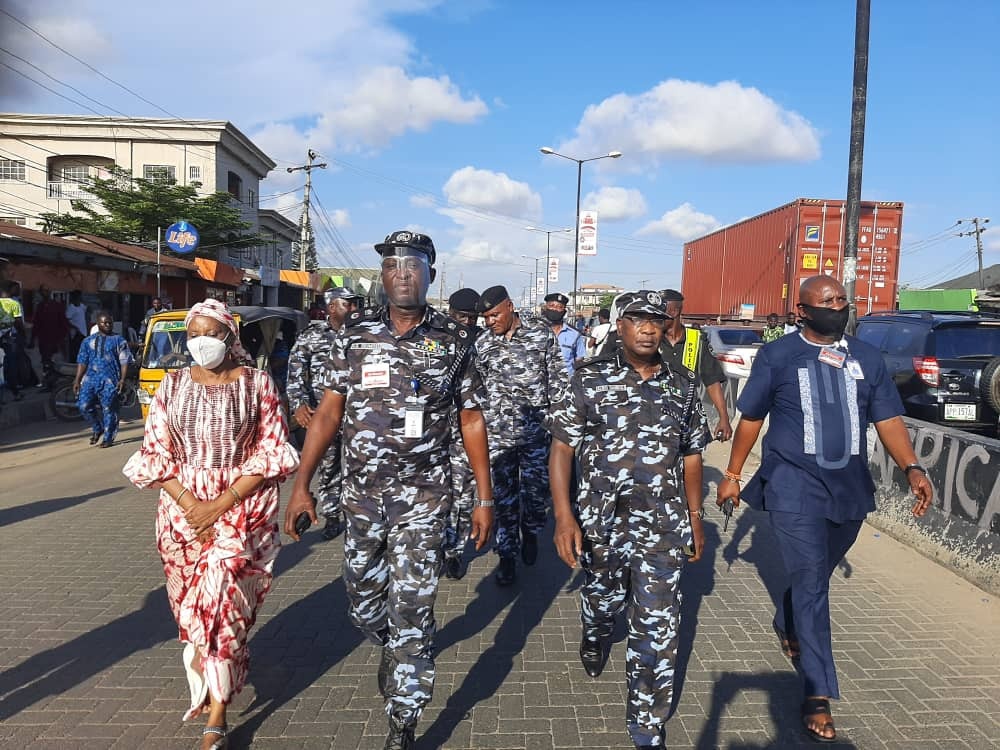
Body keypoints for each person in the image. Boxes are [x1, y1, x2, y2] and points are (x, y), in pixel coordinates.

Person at [283, 230, 493, 750]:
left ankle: (404, 715)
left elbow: (471, 420)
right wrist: (301, 484)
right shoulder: (354, 336)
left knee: (413, 611)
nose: (403, 272)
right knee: (363, 603)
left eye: (414, 264)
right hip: (360, 499)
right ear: (382, 276)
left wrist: (484, 498)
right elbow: (329, 412)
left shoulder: (455, 342)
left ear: (431, 276)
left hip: (425, 498)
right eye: (393, 264)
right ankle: (390, 642)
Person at [716, 276, 934, 743]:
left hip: (850, 488)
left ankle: (787, 616)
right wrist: (733, 476)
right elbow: (751, 418)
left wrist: (912, 467)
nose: (839, 307)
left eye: (842, 301)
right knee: (814, 581)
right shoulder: (777, 356)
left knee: (815, 574)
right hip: (793, 485)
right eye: (828, 302)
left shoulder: (867, 358)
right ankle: (817, 691)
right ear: (802, 312)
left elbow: (888, 418)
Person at [123, 298, 298, 750]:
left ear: (229, 336)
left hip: (240, 508)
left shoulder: (258, 384)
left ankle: (216, 714)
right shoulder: (171, 385)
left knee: (219, 604)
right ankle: (221, 670)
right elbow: (154, 452)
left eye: (210, 333)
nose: (201, 342)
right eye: (193, 333)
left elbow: (274, 450)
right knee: (191, 612)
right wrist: (190, 505)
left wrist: (219, 504)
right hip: (179, 513)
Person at [547, 291, 710, 749]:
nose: (647, 328)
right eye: (637, 319)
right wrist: (564, 517)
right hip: (601, 523)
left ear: (665, 326)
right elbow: (562, 447)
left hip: (662, 524)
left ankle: (646, 725)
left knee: (658, 627)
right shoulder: (588, 378)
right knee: (602, 603)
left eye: (656, 320)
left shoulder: (684, 384)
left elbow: (693, 454)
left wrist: (696, 518)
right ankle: (596, 634)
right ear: (620, 326)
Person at [475, 285, 570, 585]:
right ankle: (507, 556)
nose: (490, 322)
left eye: (494, 315)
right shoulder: (483, 344)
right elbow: (476, 388)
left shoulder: (541, 335)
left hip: (536, 434)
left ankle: (530, 532)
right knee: (504, 499)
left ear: (510, 307)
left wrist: (559, 428)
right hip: (498, 437)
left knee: (534, 495)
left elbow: (557, 381)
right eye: (485, 317)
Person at [286, 286, 360, 540]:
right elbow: (296, 370)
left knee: (356, 468)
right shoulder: (312, 335)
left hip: (357, 417)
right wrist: (298, 403)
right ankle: (331, 516)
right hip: (322, 414)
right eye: (347, 304)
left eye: (354, 304)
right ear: (331, 308)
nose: (353, 309)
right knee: (328, 467)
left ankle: (357, 517)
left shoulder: (363, 334)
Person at [442, 287, 483, 580]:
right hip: (429, 435)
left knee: (462, 494)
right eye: (462, 317)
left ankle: (453, 551)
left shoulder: (482, 343)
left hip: (464, 432)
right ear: (450, 314)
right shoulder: (433, 340)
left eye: (473, 318)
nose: (467, 323)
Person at [660, 289, 733, 441]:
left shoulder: (697, 340)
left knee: (692, 462)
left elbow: (712, 381)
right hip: (656, 418)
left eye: (659, 311)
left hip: (689, 420)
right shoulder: (652, 340)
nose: (654, 317)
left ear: (673, 311)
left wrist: (723, 417)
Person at [73, 311, 134, 447]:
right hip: (90, 379)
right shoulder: (87, 341)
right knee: (83, 405)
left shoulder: (119, 340)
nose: (107, 325)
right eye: (104, 323)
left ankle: (108, 438)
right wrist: (77, 379)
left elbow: (124, 361)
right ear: (98, 324)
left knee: (109, 409)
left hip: (110, 380)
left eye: (109, 323)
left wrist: (122, 380)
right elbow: (82, 361)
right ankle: (97, 428)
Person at [542, 292, 587, 376]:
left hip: (565, 384)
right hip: (540, 385)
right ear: (545, 307)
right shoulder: (535, 331)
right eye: (551, 306)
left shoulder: (575, 335)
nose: (555, 309)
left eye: (559, 307)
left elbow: (580, 361)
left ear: (564, 311)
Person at [32, 285, 68, 382]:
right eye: (43, 291)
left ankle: (54, 382)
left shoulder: (57, 306)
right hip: (43, 339)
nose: (45, 293)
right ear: (40, 293)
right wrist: (32, 338)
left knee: (54, 361)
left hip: (56, 339)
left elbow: (64, 322)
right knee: (45, 361)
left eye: (47, 291)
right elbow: (36, 323)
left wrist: (62, 337)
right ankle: (48, 382)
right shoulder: (40, 306)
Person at [0, 282, 24, 400]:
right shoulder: (14, 304)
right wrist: (23, 334)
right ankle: (16, 393)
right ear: (11, 289)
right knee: (12, 365)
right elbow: (18, 322)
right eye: (17, 288)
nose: (19, 290)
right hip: (10, 338)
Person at [65, 289, 88, 359]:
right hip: (76, 334)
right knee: (75, 350)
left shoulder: (82, 306)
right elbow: (66, 320)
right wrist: (75, 328)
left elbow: (88, 310)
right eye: (77, 297)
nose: (78, 298)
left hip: (84, 333)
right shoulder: (71, 307)